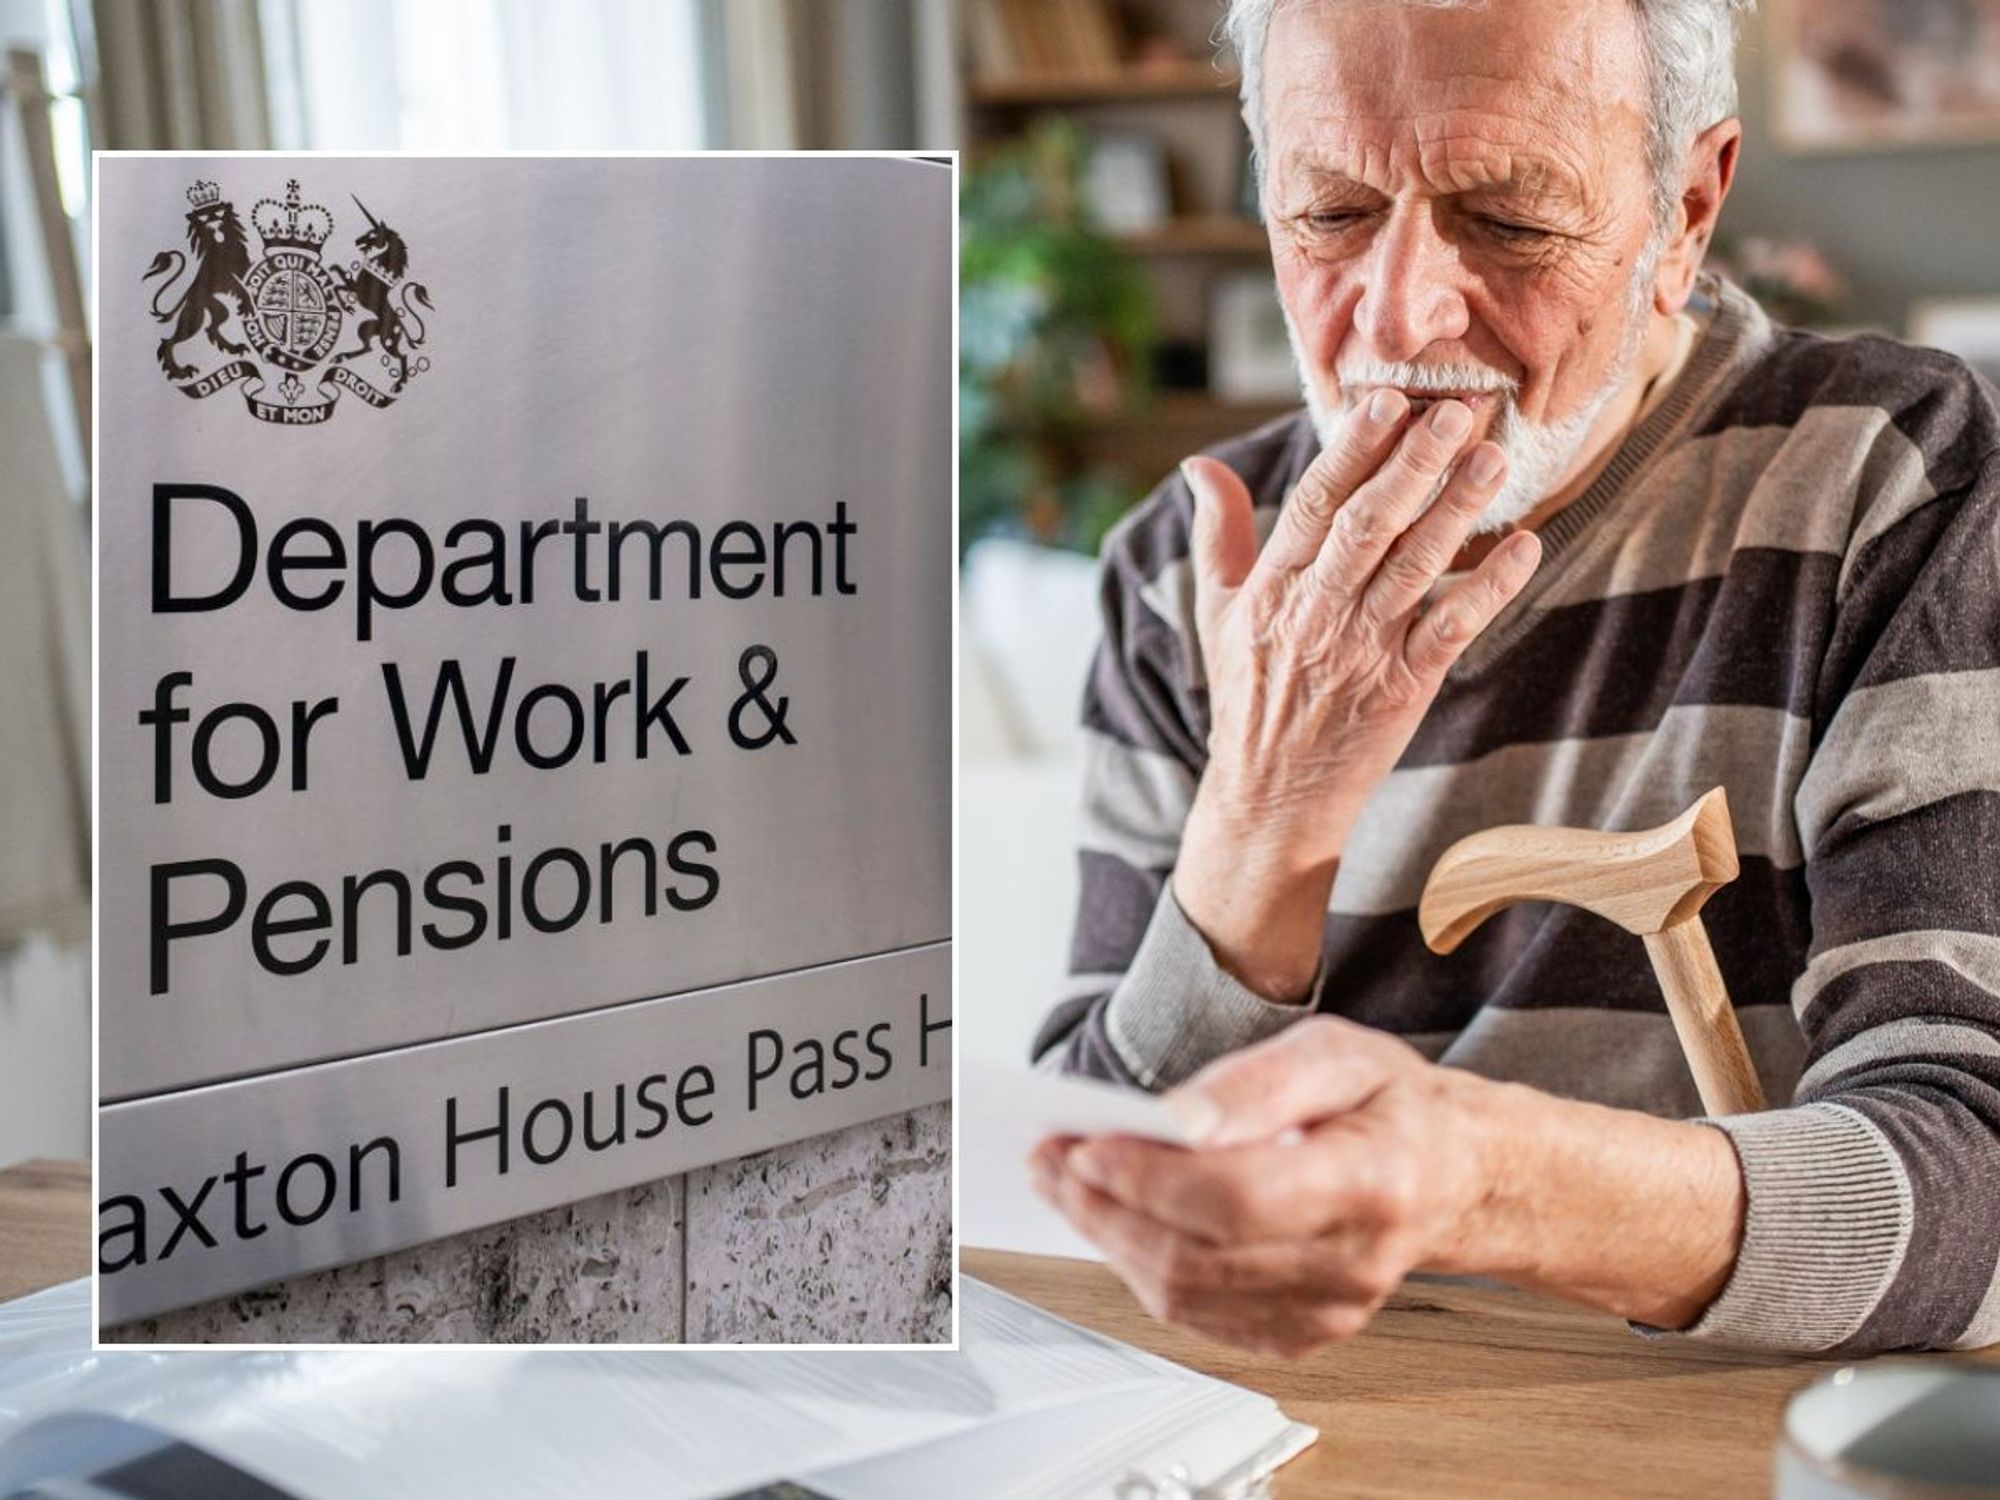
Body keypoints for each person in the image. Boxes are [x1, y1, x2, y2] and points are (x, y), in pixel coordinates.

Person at [1030, 0, 2000, 1358]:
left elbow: (1972, 1168)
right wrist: (1264, 818)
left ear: (1687, 214)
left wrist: (1482, 1182)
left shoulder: (1895, 478)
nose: (1402, 310)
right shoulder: (1186, 574)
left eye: (1511, 220)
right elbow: (1078, 1199)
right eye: (1328, 213)